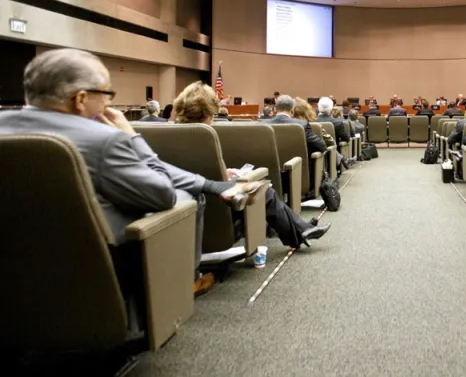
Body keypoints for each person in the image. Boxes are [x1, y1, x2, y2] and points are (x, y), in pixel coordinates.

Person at [0, 50, 269, 297]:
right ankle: (185, 281)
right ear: (80, 99)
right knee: (187, 197)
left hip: (18, 266)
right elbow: (162, 194)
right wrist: (132, 138)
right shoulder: (104, 140)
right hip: (95, 268)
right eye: (107, 95)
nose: (109, 104)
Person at [174, 82, 329, 250]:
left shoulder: (169, 133)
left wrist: (223, 172)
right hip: (212, 200)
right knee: (264, 189)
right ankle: (300, 232)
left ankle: (301, 231)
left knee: (264, 189)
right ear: (208, 111)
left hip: (183, 199)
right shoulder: (205, 135)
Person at [262, 95, 327, 189]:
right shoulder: (302, 125)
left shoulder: (263, 125)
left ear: (275, 108)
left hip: (269, 176)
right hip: (298, 174)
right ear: (292, 109)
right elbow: (321, 146)